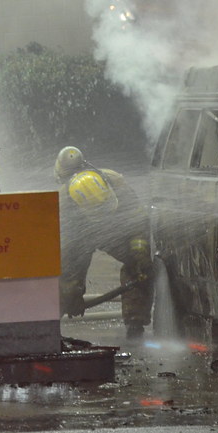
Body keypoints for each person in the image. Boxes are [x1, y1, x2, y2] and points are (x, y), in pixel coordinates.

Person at [55, 146, 152, 340]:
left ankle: (135, 324)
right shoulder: (64, 202)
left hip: (114, 230)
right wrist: (72, 292)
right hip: (83, 235)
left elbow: (138, 220)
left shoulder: (115, 181)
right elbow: (69, 255)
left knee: (139, 267)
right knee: (64, 282)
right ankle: (47, 327)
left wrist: (140, 252)